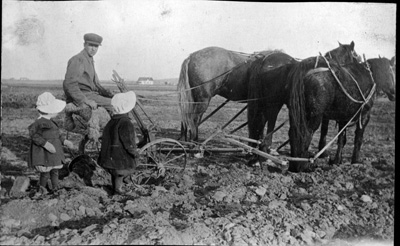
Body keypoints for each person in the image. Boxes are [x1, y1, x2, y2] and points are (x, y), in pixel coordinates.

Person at [28, 92, 74, 196]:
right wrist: (45, 144)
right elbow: (33, 135)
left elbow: (57, 134)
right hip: (45, 153)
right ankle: (42, 189)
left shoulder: (51, 122)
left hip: (54, 152)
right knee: (45, 172)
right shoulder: (39, 123)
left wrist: (64, 141)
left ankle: (55, 188)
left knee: (55, 171)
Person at [98, 91, 139, 195]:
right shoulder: (126, 122)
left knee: (115, 173)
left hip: (109, 157)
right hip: (119, 158)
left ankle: (115, 188)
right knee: (124, 170)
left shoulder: (112, 121)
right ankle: (119, 190)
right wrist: (134, 152)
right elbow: (128, 142)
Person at [63, 33, 114, 115]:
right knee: (115, 105)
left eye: (96, 46)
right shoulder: (78, 60)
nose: (93, 49)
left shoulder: (89, 59)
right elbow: (70, 84)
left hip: (90, 94)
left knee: (116, 100)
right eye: (91, 45)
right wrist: (85, 101)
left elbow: (95, 84)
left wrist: (108, 93)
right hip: (83, 95)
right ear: (84, 45)